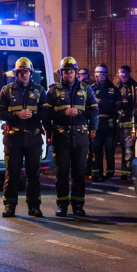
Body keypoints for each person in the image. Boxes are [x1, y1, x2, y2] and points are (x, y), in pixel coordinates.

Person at [0, 57, 48, 218]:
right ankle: (9, 205)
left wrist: (33, 114)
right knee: (12, 174)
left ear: (31, 72)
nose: (24, 75)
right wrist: (15, 115)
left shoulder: (39, 91)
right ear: (16, 73)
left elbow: (47, 112)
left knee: (33, 175)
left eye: (26, 72)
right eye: (21, 72)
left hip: (34, 139)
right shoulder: (7, 90)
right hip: (13, 139)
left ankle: (34, 206)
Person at [47, 57, 98, 216]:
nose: (68, 75)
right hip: (61, 138)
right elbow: (46, 113)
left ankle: (78, 205)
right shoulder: (53, 91)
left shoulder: (86, 89)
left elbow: (94, 110)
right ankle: (62, 204)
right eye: (65, 72)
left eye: (71, 72)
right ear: (61, 73)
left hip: (81, 138)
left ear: (76, 73)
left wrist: (90, 123)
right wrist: (61, 115)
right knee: (61, 173)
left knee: (79, 173)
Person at [90, 64, 119, 182]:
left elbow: (118, 106)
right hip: (96, 124)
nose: (103, 76)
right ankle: (97, 174)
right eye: (101, 73)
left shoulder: (113, 89)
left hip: (109, 124)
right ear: (96, 74)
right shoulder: (91, 89)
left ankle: (110, 173)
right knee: (96, 150)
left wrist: (114, 119)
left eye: (105, 73)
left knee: (109, 150)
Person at [115, 65, 137, 182]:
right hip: (118, 124)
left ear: (129, 73)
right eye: (121, 73)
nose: (123, 75)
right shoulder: (116, 87)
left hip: (130, 123)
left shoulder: (135, 87)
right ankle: (121, 173)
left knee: (129, 149)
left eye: (125, 72)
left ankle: (129, 173)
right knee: (117, 149)